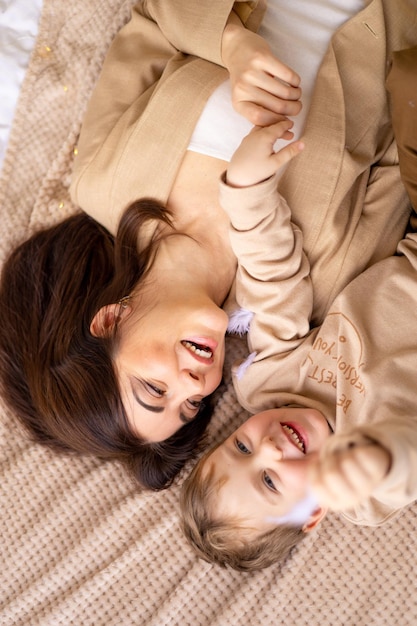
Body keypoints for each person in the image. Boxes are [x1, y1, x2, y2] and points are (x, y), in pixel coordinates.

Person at [0, 0, 414, 490]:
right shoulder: (313, 286)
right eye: (190, 406)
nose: (196, 387)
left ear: (109, 319)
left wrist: (229, 45)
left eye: (155, 389)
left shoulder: (101, 180)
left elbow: (154, 19)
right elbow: (398, 153)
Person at [180, 46, 417, 572]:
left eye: (240, 447)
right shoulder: (362, 495)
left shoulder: (269, 381)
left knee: (411, 76)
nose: (267, 448)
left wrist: (247, 194)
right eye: (268, 481)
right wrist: (378, 459)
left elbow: (273, 280)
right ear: (312, 515)